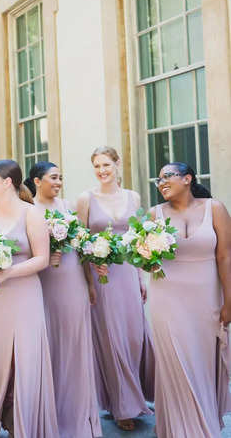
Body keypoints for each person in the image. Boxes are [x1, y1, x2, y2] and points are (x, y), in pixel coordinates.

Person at [0, 160, 58, 437]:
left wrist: (9, 272)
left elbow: (42, 259)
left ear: (8, 182)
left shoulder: (32, 214)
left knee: (23, 362)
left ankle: (20, 423)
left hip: (23, 296)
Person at [147, 162, 231, 437]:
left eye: (167, 176)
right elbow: (147, 262)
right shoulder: (153, 214)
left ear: (187, 178)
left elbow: (225, 256)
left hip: (205, 301)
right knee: (176, 364)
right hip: (166, 300)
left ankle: (202, 423)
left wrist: (229, 300)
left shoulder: (214, 208)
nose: (161, 183)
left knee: (201, 365)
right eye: (158, 180)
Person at [76, 146, 154, 431]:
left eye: (106, 164)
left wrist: (141, 277)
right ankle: (123, 407)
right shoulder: (86, 199)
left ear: (118, 164)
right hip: (102, 278)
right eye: (97, 166)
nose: (102, 171)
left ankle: (127, 398)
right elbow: (80, 241)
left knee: (134, 338)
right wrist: (89, 279)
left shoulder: (133, 197)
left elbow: (139, 240)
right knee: (112, 339)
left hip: (128, 276)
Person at [26, 162, 101, 437]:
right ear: (37, 181)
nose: (58, 182)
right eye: (53, 178)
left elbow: (81, 247)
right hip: (45, 282)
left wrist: (90, 282)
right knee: (50, 344)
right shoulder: (30, 210)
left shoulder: (68, 207)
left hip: (73, 281)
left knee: (75, 344)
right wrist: (46, 256)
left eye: (60, 178)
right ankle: (51, 413)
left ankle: (79, 414)